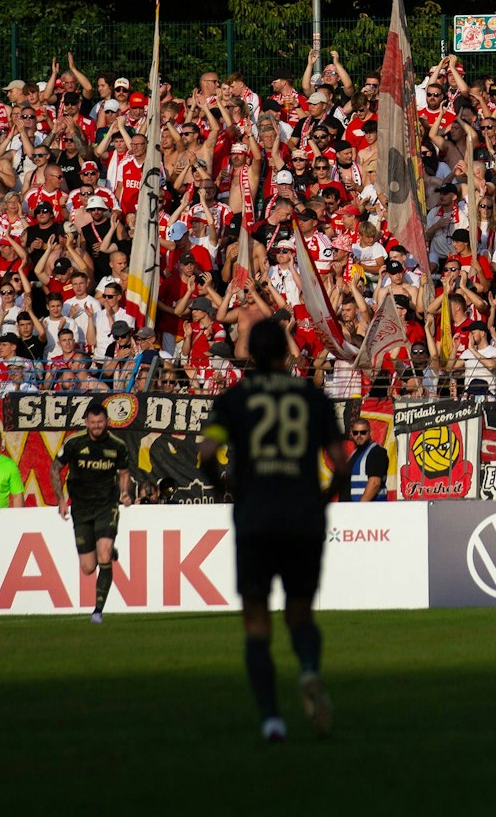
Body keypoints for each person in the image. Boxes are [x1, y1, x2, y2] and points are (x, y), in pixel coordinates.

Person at [199, 317, 349, 742]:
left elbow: (207, 452)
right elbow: (340, 463)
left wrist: (228, 492)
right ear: (285, 352)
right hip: (303, 516)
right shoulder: (312, 396)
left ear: (249, 354)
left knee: (257, 619)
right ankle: (307, 670)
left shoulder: (233, 399)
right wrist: (321, 500)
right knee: (300, 611)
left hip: (256, 517)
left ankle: (271, 721)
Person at [52, 399, 132, 624]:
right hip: (81, 507)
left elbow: (124, 472)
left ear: (107, 421)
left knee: (103, 554)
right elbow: (55, 468)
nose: (97, 426)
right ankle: (106, 550)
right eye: (93, 422)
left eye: (100, 422)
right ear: (86, 422)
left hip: (107, 505)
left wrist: (124, 492)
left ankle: (97, 611)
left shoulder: (118, 445)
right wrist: (61, 499)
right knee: (88, 568)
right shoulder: (74, 443)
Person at [338, 419, 388, 502]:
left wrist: (360, 508)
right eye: (355, 433)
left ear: (370, 433)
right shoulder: (355, 453)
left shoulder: (376, 452)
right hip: (353, 508)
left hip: (369, 510)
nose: (359, 435)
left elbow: (375, 483)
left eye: (363, 432)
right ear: (351, 434)